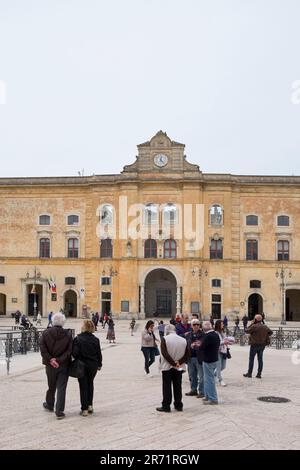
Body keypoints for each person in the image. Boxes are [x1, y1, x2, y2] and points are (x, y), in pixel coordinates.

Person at [39, 312, 72, 419]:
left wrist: (51, 360)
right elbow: (69, 351)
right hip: (63, 365)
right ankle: (59, 411)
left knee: (51, 385)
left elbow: (43, 349)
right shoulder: (68, 334)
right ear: (63, 322)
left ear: (52, 321)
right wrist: (59, 360)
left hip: (50, 365)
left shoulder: (45, 333)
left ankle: (49, 404)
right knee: (61, 388)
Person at [72, 319, 102, 416]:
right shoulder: (96, 340)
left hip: (82, 365)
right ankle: (90, 405)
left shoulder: (78, 339)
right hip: (93, 365)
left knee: (83, 386)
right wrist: (99, 364)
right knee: (90, 384)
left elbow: (75, 353)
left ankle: (84, 409)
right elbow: (99, 354)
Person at [156, 324, 188, 412]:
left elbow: (164, 353)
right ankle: (178, 405)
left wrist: (173, 363)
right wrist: (179, 362)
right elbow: (187, 354)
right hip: (179, 367)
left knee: (167, 386)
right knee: (178, 386)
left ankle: (166, 406)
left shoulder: (165, 339)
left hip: (167, 367)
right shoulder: (183, 340)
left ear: (167, 330)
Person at [243, 314, 273, 379]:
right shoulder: (264, 326)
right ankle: (259, 374)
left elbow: (246, 330)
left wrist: (252, 323)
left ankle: (249, 373)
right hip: (262, 345)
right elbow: (271, 332)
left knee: (251, 359)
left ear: (255, 319)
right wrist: (265, 335)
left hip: (254, 345)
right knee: (260, 359)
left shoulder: (254, 326)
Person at [200, 321, 220, 405]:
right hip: (214, 359)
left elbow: (202, 347)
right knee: (207, 379)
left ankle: (213, 398)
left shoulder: (207, 336)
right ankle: (208, 395)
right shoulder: (215, 334)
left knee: (209, 380)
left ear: (204, 328)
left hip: (208, 360)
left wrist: (198, 345)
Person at [185, 319, 205, 398]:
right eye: (194, 324)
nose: (196, 326)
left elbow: (203, 344)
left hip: (199, 358)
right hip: (190, 358)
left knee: (201, 376)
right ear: (191, 326)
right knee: (192, 375)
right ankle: (193, 390)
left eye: (198, 324)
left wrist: (197, 344)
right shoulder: (188, 335)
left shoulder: (203, 334)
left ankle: (201, 391)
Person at [214, 320, 234, 387]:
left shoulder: (223, 332)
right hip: (217, 351)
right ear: (218, 325)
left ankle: (213, 374)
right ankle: (220, 380)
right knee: (219, 367)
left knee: (223, 366)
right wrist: (224, 342)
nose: (223, 325)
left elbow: (224, 339)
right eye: (222, 324)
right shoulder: (215, 333)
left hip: (224, 351)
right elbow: (216, 343)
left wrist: (229, 342)